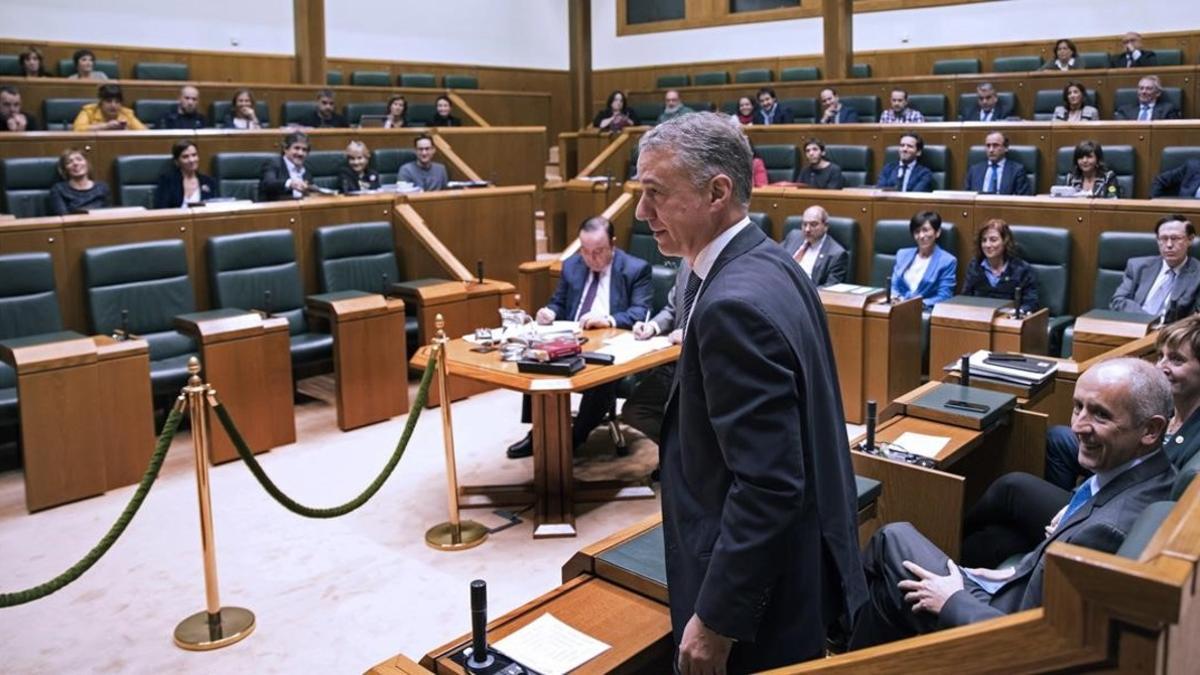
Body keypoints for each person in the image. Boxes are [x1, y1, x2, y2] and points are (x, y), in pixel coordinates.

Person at [634, 112, 866, 672]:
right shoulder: (775, 263)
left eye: (655, 193)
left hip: (760, 603)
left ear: (718, 192)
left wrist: (717, 618)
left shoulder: (731, 305)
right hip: (797, 565)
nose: (642, 213)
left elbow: (768, 486)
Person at [849, 358, 1177, 649]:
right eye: (1078, 407)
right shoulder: (1150, 476)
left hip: (994, 626)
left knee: (891, 537)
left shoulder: (1106, 531)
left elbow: (1037, 641)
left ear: (1150, 429)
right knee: (887, 595)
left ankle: (837, 628)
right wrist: (1001, 576)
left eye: (1100, 415)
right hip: (1005, 594)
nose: (1078, 426)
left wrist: (953, 599)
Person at [969, 319, 1200, 568]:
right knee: (992, 540)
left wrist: (1074, 510)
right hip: (1104, 489)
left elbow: (1153, 483)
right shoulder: (1170, 406)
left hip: (1123, 507)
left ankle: (952, 529)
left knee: (1011, 486)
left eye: (1176, 360)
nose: (1161, 366)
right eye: (1161, 356)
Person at [505, 216, 652, 459]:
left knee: (601, 372)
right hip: (571, 339)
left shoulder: (636, 268)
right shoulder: (572, 265)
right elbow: (559, 303)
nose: (592, 258)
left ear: (613, 244)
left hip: (611, 343)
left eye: (599, 251)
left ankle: (576, 437)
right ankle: (539, 432)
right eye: (586, 251)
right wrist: (549, 312)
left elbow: (640, 312)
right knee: (536, 357)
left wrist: (609, 319)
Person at [622, 261, 688, 445]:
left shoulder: (726, 268)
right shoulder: (687, 265)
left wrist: (691, 333)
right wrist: (652, 326)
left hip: (704, 366)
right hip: (673, 362)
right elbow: (672, 309)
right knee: (635, 410)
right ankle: (678, 456)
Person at [1109, 215, 1200, 318]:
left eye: (1175, 238)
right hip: (1134, 327)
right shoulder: (1138, 267)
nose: (1169, 245)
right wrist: (1149, 322)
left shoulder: (1197, 275)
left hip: (1173, 332)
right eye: (1163, 239)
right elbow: (1118, 301)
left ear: (1190, 239)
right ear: (1157, 240)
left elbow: (1196, 319)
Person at [960, 219, 1039, 312]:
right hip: (980, 318)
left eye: (993, 240)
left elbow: (1031, 303)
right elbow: (965, 298)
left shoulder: (1022, 269)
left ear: (1005, 241)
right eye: (984, 240)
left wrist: (1019, 312)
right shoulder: (975, 266)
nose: (987, 245)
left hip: (1009, 321)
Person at [891, 210, 957, 310]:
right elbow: (894, 285)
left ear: (937, 233)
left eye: (925, 230)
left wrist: (917, 304)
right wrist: (895, 298)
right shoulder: (902, 254)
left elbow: (945, 296)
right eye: (917, 232)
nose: (921, 236)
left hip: (924, 311)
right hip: (897, 308)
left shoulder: (948, 261)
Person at [782, 205, 849, 286]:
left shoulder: (837, 254)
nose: (807, 229)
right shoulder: (793, 236)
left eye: (813, 224)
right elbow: (775, 258)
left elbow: (829, 289)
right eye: (804, 224)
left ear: (826, 226)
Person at [153, 139, 217, 208]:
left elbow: (216, 206)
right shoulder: (167, 181)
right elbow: (160, 208)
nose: (191, 160)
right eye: (185, 157)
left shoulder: (209, 182)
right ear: (177, 162)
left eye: (194, 155)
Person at [964, 131, 1032, 196]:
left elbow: (1023, 200)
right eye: (988, 146)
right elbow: (966, 197)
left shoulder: (1017, 171)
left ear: (1006, 148)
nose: (991, 150)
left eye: (995, 145)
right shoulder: (974, 170)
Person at [49, 148, 111, 215]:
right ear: (65, 169)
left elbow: (109, 214)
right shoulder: (59, 189)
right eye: (69, 162)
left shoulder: (102, 187)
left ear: (87, 163)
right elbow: (63, 217)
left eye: (79, 159)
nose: (75, 163)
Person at [258, 131, 313, 201]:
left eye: (304, 150)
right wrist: (290, 183)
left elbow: (309, 190)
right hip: (277, 208)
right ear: (285, 149)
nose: (300, 153)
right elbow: (268, 184)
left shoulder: (306, 168)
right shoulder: (273, 163)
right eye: (296, 148)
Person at [72, 84, 147, 131]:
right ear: (101, 102)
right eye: (108, 101)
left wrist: (127, 131)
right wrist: (105, 126)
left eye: (117, 102)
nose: (113, 105)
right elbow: (77, 130)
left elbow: (145, 132)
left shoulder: (126, 113)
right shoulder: (89, 111)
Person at [1114, 75, 1181, 121]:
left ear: (1158, 93)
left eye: (1148, 89)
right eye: (1141, 88)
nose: (1143, 92)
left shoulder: (1168, 110)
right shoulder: (1124, 111)